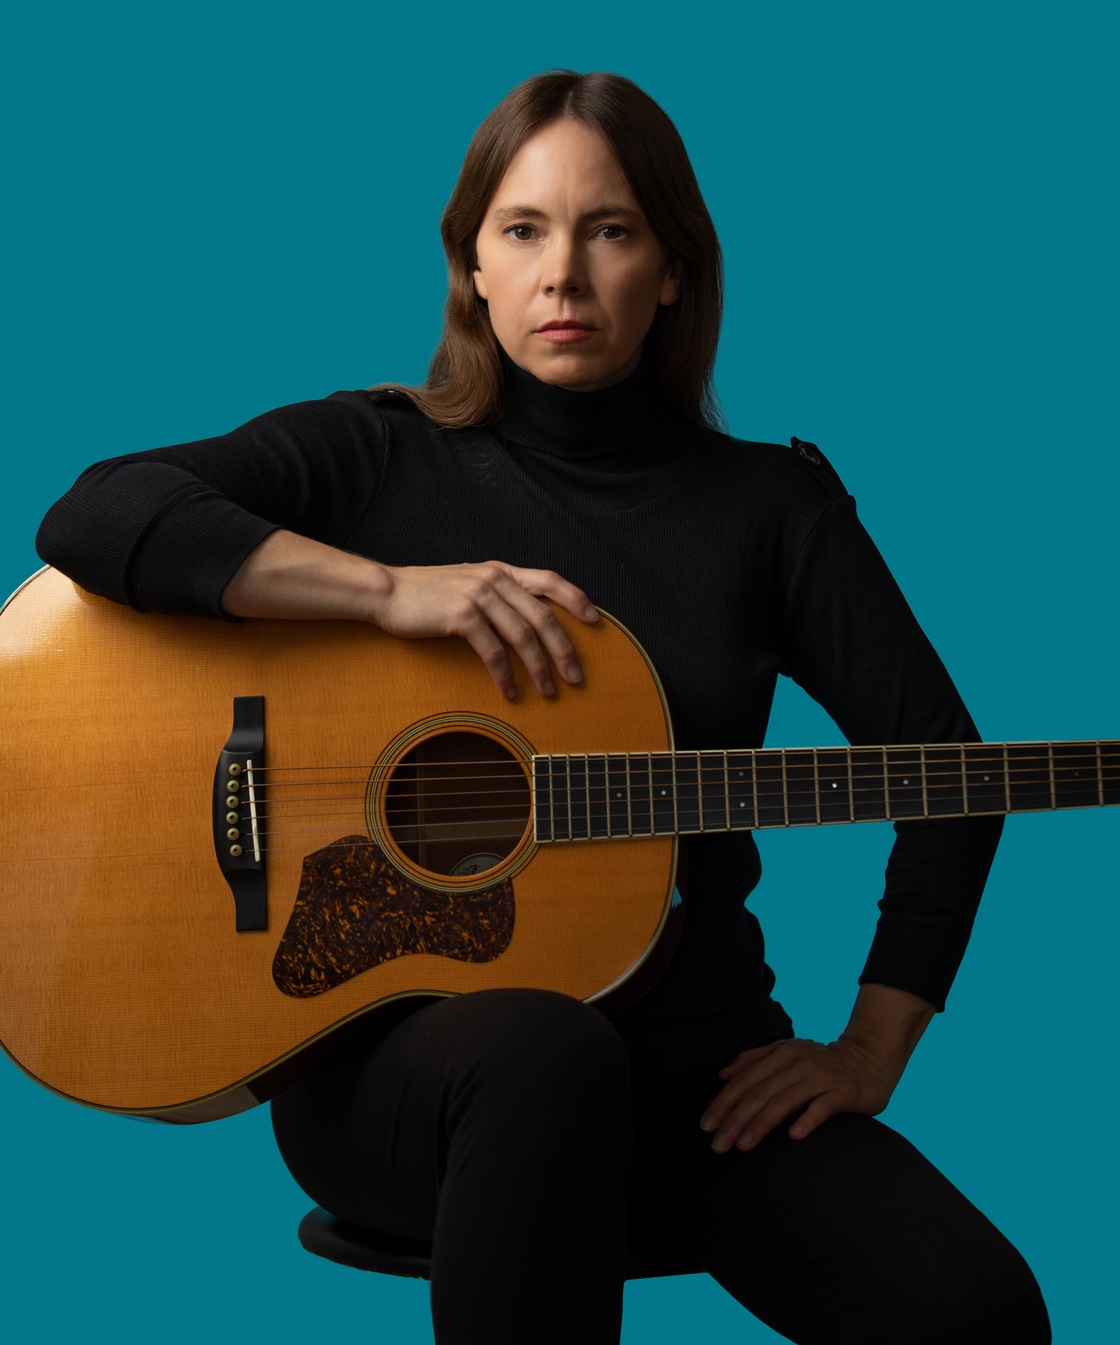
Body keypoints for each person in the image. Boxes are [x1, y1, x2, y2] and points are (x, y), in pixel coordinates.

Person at [36, 70, 1050, 1344]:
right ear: (472, 265)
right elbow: (95, 515)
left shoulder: (772, 509)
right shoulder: (372, 452)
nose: (562, 274)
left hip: (691, 1077)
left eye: (608, 230)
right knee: (543, 1048)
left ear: (671, 270)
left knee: (975, 1309)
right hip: (392, 1076)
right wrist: (386, 591)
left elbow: (949, 779)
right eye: (522, 230)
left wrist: (868, 1051)